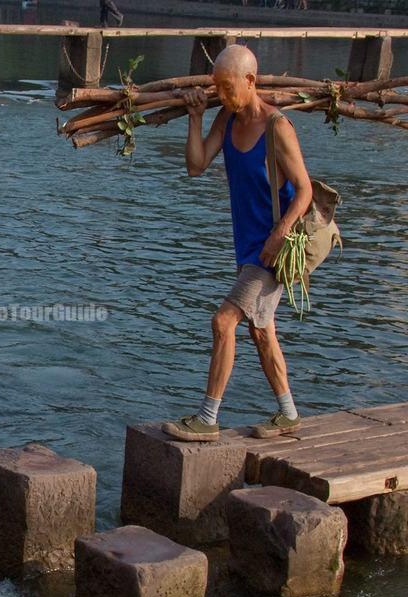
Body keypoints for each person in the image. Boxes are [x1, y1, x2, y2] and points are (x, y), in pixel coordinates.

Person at [161, 44, 313, 442]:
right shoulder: (226, 120)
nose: (223, 96)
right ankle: (289, 414)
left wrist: (280, 234)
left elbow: (305, 191)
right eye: (218, 89)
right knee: (261, 332)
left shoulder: (277, 126)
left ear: (250, 81)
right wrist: (195, 117)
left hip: (270, 251)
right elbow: (196, 166)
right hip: (246, 247)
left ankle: (207, 419)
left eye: (229, 87)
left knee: (223, 322)